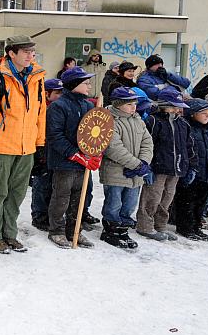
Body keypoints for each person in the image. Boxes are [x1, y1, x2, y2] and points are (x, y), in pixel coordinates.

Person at [0, 35, 46, 254]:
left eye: (31, 51)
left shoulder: (37, 78)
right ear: (11, 54)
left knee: (17, 195)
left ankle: (10, 234)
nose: (30, 55)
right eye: (25, 51)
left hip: (26, 149)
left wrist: (40, 144)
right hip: (2, 147)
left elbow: (40, 113)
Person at [45, 66, 99, 249]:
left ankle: (75, 229)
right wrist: (75, 155)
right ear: (74, 84)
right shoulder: (58, 106)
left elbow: (96, 134)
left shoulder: (88, 106)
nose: (89, 86)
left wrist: (96, 152)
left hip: (84, 163)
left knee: (81, 197)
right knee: (62, 197)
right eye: (86, 82)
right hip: (64, 162)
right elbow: (55, 136)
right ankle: (57, 230)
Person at [98, 87, 154, 249]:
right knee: (114, 203)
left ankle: (123, 229)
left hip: (136, 174)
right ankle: (111, 230)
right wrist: (135, 164)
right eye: (129, 104)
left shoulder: (138, 120)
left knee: (129, 203)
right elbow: (113, 147)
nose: (133, 107)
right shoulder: (110, 121)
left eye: (135, 104)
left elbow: (147, 142)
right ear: (118, 104)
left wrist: (143, 162)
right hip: (116, 172)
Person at [137, 88, 196, 241]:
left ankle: (160, 225)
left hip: (176, 168)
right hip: (157, 167)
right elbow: (146, 144)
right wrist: (146, 165)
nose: (178, 109)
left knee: (167, 198)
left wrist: (190, 165)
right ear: (164, 105)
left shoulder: (183, 124)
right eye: (174, 106)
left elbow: (188, 146)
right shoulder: (153, 121)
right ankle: (145, 225)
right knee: (152, 197)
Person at [172, 99, 208, 241]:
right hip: (191, 173)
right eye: (203, 113)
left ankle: (196, 225)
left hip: (207, 174)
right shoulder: (188, 129)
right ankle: (185, 226)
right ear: (192, 114)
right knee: (186, 201)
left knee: (201, 202)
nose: (207, 116)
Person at [30, 78, 63, 231]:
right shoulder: (38, 108)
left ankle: (49, 215)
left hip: (55, 152)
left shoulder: (60, 108)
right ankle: (39, 216)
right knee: (41, 185)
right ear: (46, 93)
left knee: (52, 185)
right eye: (57, 93)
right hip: (41, 151)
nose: (60, 96)